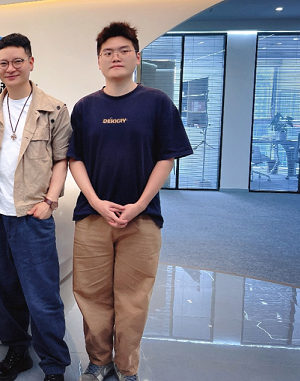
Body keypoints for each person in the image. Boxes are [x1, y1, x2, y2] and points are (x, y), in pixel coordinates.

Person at [68, 22, 193, 381]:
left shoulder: (157, 102)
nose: (116, 57)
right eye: (108, 52)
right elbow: (75, 159)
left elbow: (166, 158)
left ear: (137, 57)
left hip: (142, 219)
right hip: (93, 217)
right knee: (91, 294)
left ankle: (126, 367)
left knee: (133, 297)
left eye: (124, 50)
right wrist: (96, 201)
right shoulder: (85, 107)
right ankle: (98, 361)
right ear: (98, 61)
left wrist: (139, 204)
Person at [0, 33, 72, 381]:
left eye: (17, 61)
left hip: (33, 215)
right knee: (4, 290)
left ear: (31, 63)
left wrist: (50, 201)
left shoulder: (54, 109)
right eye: (3, 63)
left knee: (42, 295)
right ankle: (17, 352)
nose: (10, 68)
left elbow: (62, 160)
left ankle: (54, 366)